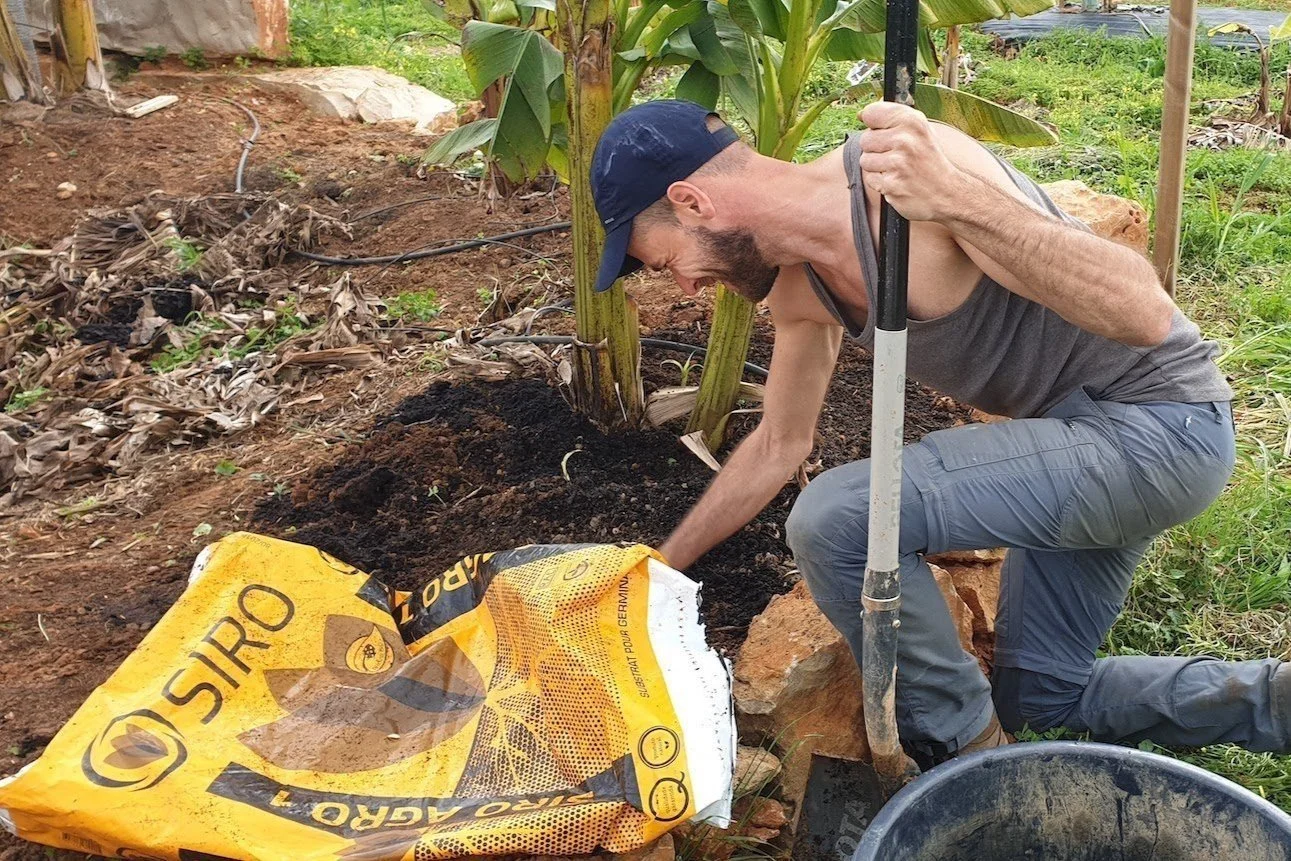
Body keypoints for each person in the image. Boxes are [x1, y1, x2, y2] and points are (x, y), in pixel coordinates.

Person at [588, 98, 1289, 765]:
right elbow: (779, 443)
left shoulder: (908, 175)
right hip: (1076, 444)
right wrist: (661, 566)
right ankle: (1274, 703)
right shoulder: (801, 290)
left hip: (1160, 428)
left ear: (691, 201)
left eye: (662, 260)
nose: (681, 286)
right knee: (1043, 695)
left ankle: (970, 758)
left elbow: (1143, 312)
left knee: (836, 518)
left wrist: (953, 198)